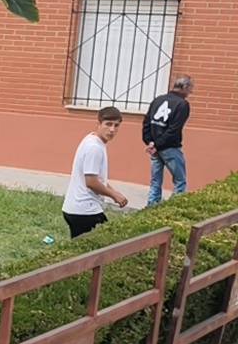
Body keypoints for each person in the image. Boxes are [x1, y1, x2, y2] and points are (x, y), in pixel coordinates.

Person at [62, 107, 128, 238]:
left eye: (116, 126)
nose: (112, 130)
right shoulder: (95, 148)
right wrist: (114, 196)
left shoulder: (91, 139)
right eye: (108, 124)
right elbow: (91, 182)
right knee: (105, 246)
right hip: (85, 210)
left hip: (75, 208)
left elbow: (97, 178)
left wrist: (114, 191)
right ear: (98, 124)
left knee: (82, 253)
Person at [143, 75, 193, 205]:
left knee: (155, 181)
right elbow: (174, 129)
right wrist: (157, 145)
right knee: (180, 181)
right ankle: (174, 208)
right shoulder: (182, 104)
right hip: (170, 147)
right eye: (190, 89)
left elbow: (147, 122)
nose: (191, 92)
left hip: (154, 147)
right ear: (185, 87)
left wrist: (150, 142)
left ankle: (151, 207)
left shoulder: (158, 99)